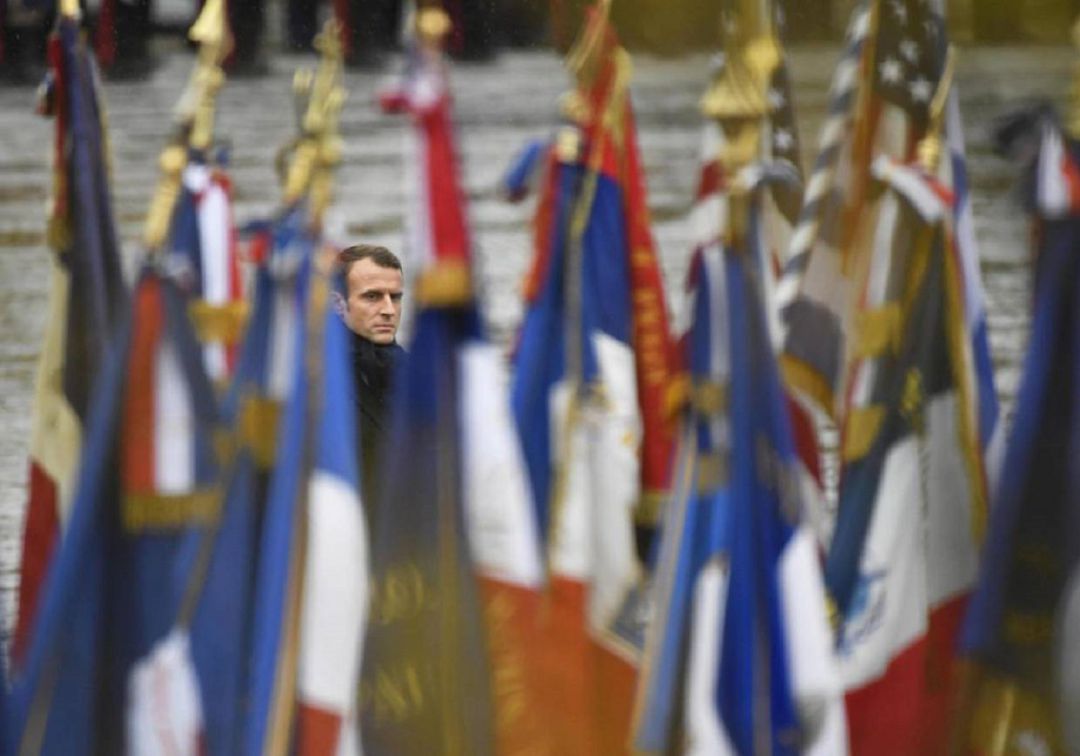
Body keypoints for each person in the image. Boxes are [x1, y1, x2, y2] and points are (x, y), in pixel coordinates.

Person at [339, 244, 405, 506]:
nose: (388, 310)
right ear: (338, 303)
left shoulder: (414, 376)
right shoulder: (317, 383)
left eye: (396, 297)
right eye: (372, 297)